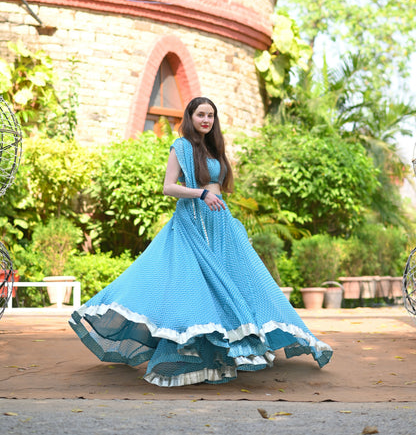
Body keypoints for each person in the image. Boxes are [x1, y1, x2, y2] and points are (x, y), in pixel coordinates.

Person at [69, 97, 332, 386]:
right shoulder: (180, 147)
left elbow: (219, 187)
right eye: (200, 115)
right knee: (195, 289)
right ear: (190, 117)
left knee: (246, 281)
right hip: (192, 223)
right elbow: (168, 187)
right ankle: (198, 353)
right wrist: (201, 194)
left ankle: (241, 346)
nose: (206, 120)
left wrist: (220, 207)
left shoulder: (214, 147)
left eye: (210, 115)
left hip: (219, 223)